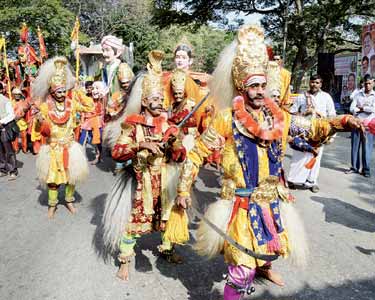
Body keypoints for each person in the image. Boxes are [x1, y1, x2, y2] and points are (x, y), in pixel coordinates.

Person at [174, 25, 362, 300]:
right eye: (254, 86)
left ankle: (261, 268)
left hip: (270, 204)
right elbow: (197, 153)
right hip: (239, 206)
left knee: (262, 255)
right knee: (240, 271)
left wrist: (342, 121)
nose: (260, 91)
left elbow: (311, 127)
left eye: (264, 85)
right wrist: (182, 189)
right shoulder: (227, 118)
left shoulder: (279, 118)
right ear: (241, 87)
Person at [102, 50, 187, 281]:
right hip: (139, 182)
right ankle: (125, 260)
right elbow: (118, 153)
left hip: (165, 180)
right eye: (155, 100)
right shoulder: (132, 124)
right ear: (145, 101)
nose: (159, 103)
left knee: (168, 218)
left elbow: (181, 157)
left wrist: (174, 144)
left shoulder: (168, 125)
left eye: (161, 100)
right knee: (132, 224)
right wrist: (142, 145)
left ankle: (168, 250)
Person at [32, 57, 94, 219]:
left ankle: (69, 201)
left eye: (64, 90)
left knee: (71, 177)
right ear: (52, 91)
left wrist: (79, 90)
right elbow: (39, 131)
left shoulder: (72, 104)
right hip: (52, 148)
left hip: (69, 146)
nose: (62, 94)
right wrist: (39, 121)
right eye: (58, 91)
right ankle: (52, 205)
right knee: (52, 180)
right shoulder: (45, 107)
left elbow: (90, 106)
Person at [287, 74, 336, 193]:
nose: (314, 85)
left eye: (317, 83)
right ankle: (293, 180)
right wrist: (305, 113)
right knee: (299, 155)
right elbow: (292, 113)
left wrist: (319, 115)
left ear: (321, 84)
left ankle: (312, 182)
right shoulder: (301, 97)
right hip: (303, 131)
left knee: (316, 156)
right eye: (312, 82)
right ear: (309, 82)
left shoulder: (326, 97)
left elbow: (332, 115)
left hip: (319, 132)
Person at [346, 74, 375, 177]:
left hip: (369, 125)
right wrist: (365, 108)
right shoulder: (358, 94)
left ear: (373, 83)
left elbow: (373, 109)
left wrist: (362, 108)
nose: (367, 85)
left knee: (367, 148)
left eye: (369, 83)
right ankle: (354, 167)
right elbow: (352, 108)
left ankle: (366, 170)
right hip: (357, 123)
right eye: (366, 83)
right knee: (355, 147)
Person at [79, 81, 106, 164]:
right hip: (87, 122)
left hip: (97, 122)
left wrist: (103, 96)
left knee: (97, 141)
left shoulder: (100, 98)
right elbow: (82, 111)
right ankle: (80, 157)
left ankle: (98, 157)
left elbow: (104, 108)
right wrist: (81, 121)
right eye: (89, 88)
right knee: (82, 140)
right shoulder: (85, 98)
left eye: (92, 88)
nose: (91, 90)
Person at [0, 83, 18, 180]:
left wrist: (1, 122)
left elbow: (11, 115)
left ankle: (13, 171)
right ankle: (2, 169)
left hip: (4, 128)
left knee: (8, 150)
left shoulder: (5, 101)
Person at [11, 87, 30, 153]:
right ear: (14, 95)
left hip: (22, 121)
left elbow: (26, 110)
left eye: (18, 95)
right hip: (14, 121)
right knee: (15, 137)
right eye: (15, 95)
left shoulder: (23, 102)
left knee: (24, 136)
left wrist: (27, 108)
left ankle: (24, 149)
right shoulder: (11, 103)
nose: (17, 96)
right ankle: (16, 149)